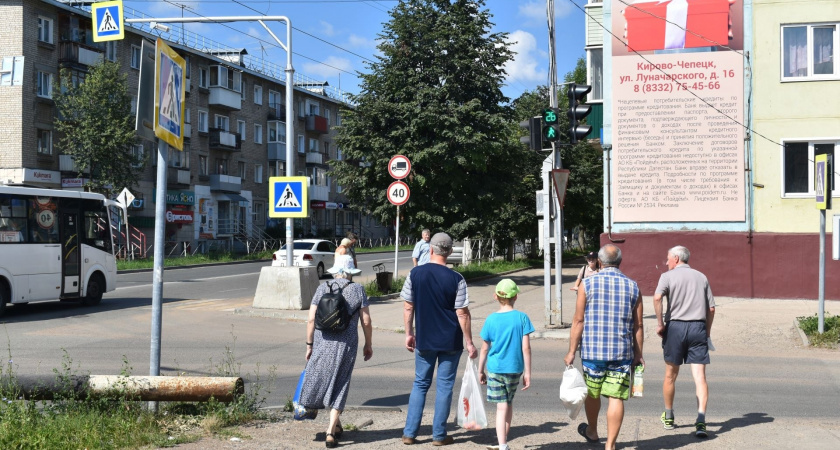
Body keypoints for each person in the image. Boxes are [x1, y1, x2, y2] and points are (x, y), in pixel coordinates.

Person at [564, 244, 644, 450]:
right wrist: (639, 353)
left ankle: (592, 431)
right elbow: (639, 325)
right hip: (621, 353)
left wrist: (572, 351)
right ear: (620, 262)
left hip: (593, 352)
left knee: (593, 392)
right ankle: (611, 445)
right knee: (616, 397)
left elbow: (578, 320)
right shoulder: (633, 286)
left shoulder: (587, 285)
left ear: (599, 262)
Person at [401, 232, 477, 446]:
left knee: (420, 384)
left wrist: (409, 333)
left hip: (424, 338)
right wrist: (469, 342)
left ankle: (409, 433)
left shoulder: (414, 274)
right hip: (450, 341)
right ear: (450, 252)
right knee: (444, 386)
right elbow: (462, 313)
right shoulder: (457, 278)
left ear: (431, 249)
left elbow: (408, 307)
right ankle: (439, 435)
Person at [299, 254, 373, 448]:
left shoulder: (322, 287)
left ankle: (335, 426)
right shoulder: (358, 290)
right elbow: (366, 321)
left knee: (323, 379)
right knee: (340, 383)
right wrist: (368, 344)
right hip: (346, 345)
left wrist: (309, 345)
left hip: (323, 343)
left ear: (335, 271)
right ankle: (331, 430)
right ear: (350, 272)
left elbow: (311, 320)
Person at [653, 245, 715, 439]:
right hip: (698, 328)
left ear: (677, 258)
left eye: (668, 258)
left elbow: (657, 297)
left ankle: (669, 416)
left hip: (676, 328)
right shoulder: (701, 276)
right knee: (700, 377)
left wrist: (660, 324)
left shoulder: (667, 276)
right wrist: (707, 332)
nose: (666, 262)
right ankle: (701, 420)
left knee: (671, 375)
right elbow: (711, 309)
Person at [478, 279, 534, 450]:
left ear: (495, 296)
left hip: (495, 369)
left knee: (501, 407)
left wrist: (480, 370)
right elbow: (526, 348)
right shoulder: (522, 318)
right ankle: (504, 442)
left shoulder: (491, 319)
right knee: (508, 404)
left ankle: (502, 445)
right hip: (515, 368)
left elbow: (485, 348)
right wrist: (528, 373)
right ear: (516, 296)